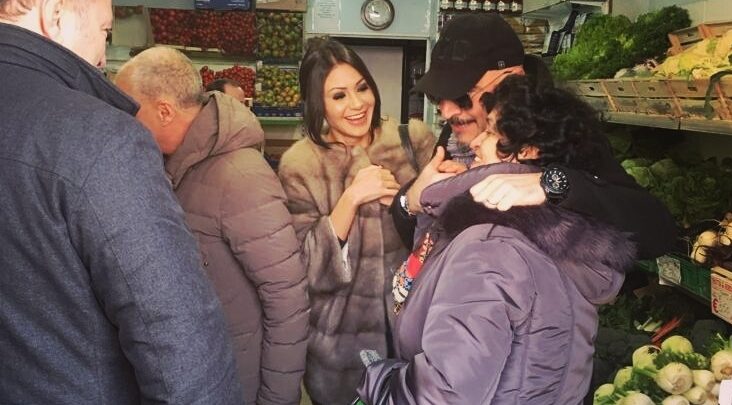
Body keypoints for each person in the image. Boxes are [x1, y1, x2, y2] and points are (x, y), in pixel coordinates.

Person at [0, 1, 242, 404]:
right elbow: (180, 347)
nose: (101, 58)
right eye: (104, 31)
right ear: (55, 13)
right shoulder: (98, 138)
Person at [358, 74, 637, 405]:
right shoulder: (554, 228)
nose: (475, 142)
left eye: (490, 131)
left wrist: (378, 380)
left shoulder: (491, 248)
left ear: (527, 149)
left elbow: (441, 395)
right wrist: (434, 204)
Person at [114, 46, 309, 405]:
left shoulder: (241, 177)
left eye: (130, 112)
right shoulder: (174, 168)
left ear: (164, 111)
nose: (123, 124)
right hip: (199, 377)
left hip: (239, 383)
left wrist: (277, 400)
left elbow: (288, 300)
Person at [392, 13, 676, 259]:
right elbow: (421, 246)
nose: (447, 111)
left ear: (511, 78)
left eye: (461, 96)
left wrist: (554, 184)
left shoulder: (561, 135)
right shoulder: (456, 134)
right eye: (437, 97)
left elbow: (657, 233)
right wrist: (410, 201)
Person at [277, 37, 436, 405]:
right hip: (340, 351)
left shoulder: (412, 141)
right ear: (318, 103)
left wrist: (405, 204)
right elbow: (304, 269)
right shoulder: (301, 165)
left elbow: (445, 237)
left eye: (362, 88)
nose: (357, 104)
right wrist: (351, 198)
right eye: (339, 95)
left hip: (418, 333)